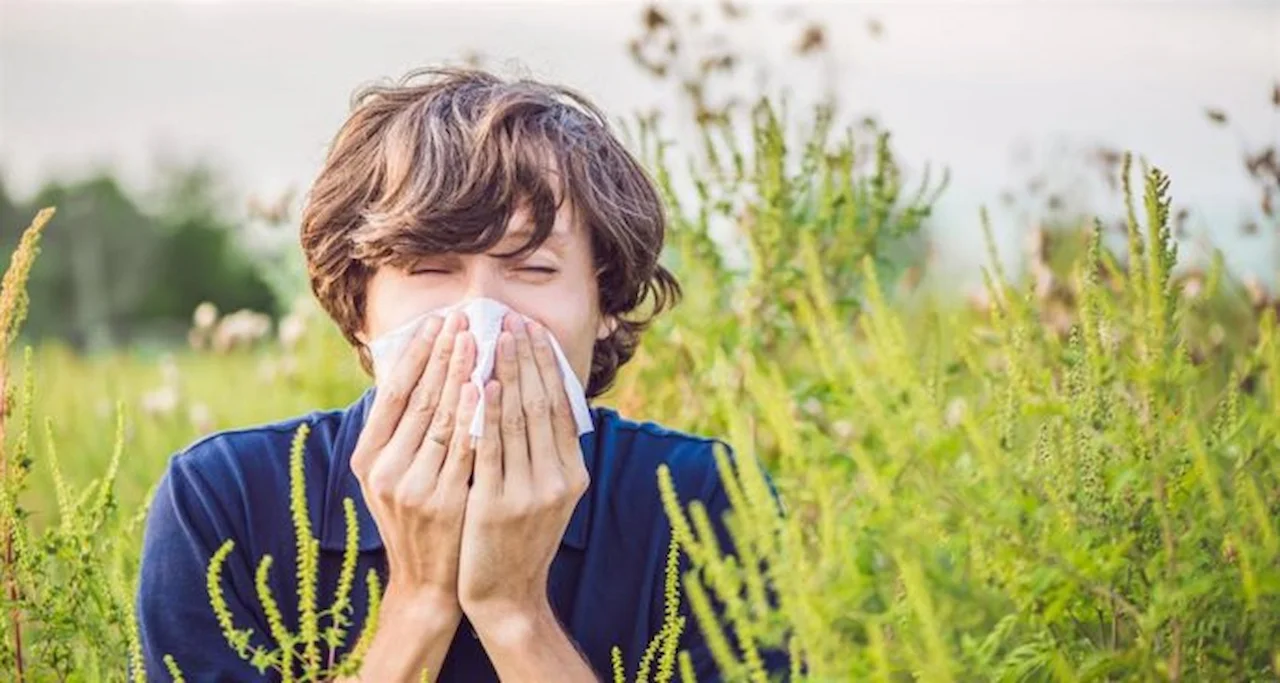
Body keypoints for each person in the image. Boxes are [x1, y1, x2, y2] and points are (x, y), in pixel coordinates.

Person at [136, 66, 790, 682]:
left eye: (533, 268)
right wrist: (419, 603)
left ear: (607, 306)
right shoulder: (227, 502)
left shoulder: (703, 503)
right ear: (358, 305)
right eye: (429, 267)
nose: (484, 314)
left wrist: (517, 614)